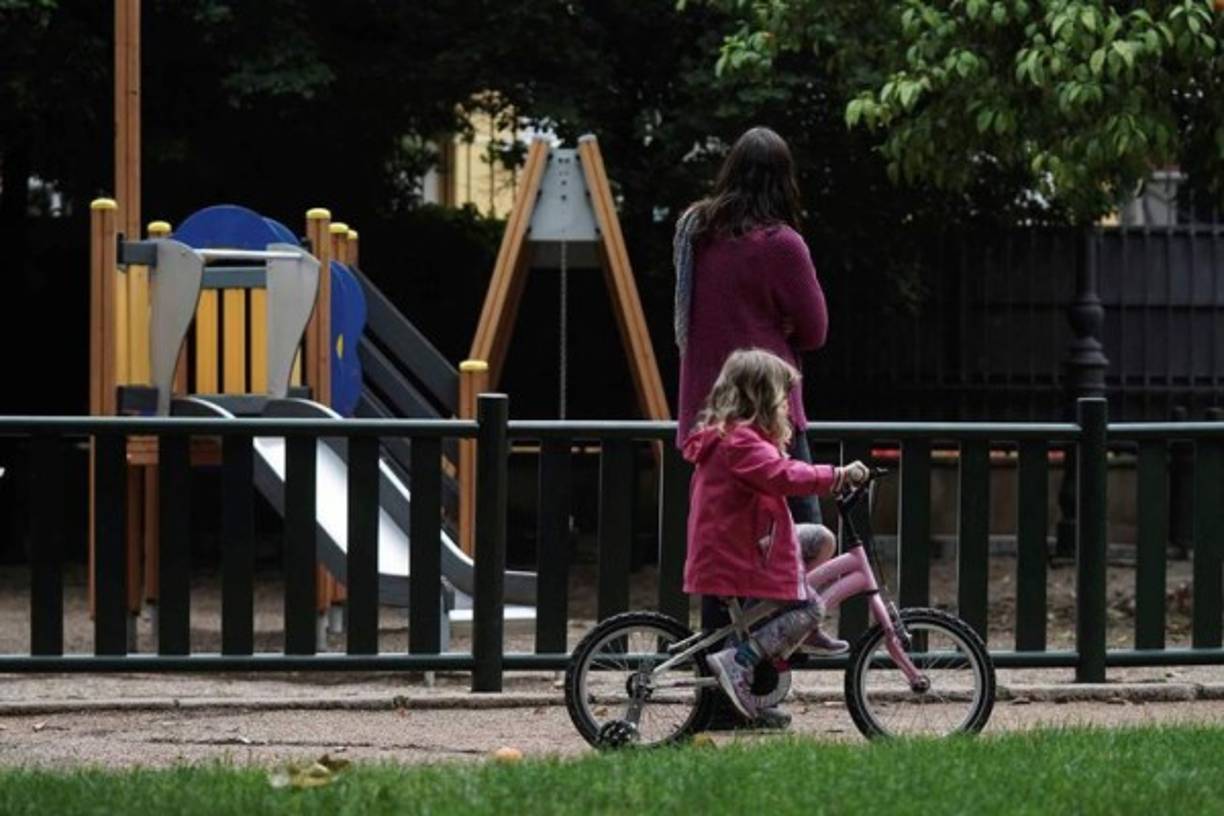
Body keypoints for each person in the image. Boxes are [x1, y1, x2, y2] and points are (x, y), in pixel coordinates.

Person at [674, 126, 843, 726]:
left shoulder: (699, 234)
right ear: (785, 180)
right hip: (768, 416)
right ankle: (762, 675)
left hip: (706, 416)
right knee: (806, 548)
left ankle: (721, 702)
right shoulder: (781, 245)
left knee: (726, 565)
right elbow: (816, 329)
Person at [681, 349, 869, 721]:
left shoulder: (740, 438)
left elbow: (780, 468)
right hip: (737, 553)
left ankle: (788, 630)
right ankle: (741, 659)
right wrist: (837, 475)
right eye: (783, 398)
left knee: (821, 538)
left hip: (746, 542)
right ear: (763, 399)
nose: (786, 406)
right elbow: (782, 476)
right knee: (811, 606)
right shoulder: (741, 444)